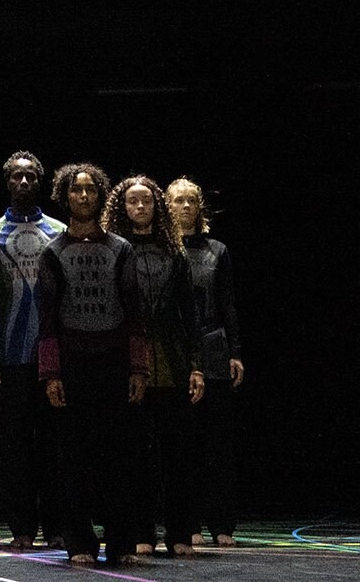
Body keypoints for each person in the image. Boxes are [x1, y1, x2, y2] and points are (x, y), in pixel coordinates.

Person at [38, 161, 149, 567]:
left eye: (90, 190)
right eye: (75, 190)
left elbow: (135, 313)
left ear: (101, 196)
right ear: (64, 197)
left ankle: (121, 542)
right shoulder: (53, 253)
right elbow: (46, 318)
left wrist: (139, 368)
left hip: (115, 363)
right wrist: (50, 373)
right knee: (73, 460)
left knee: (119, 457)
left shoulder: (121, 248)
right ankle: (79, 542)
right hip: (72, 365)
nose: (83, 196)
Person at [109, 175, 204, 556]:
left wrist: (196, 366)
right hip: (129, 362)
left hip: (171, 358)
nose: (140, 208)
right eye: (133, 201)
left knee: (176, 453)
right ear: (122, 206)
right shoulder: (113, 250)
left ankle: (179, 531)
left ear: (156, 206)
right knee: (136, 454)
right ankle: (141, 530)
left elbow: (190, 315)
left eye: (146, 201)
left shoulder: (174, 251)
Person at [0, 151, 65, 549]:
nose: (24, 183)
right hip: (9, 358)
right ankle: (23, 528)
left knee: (56, 443)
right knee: (14, 448)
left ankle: (58, 524)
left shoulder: (59, 232)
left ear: (40, 183)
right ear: (7, 182)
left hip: (53, 359)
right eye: (17, 177)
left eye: (31, 177)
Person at [166, 178, 244, 551]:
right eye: (177, 201)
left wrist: (235, 351)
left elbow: (228, 303)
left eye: (190, 201)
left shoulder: (217, 250)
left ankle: (221, 522)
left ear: (199, 208)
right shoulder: (164, 249)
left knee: (217, 445)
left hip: (213, 348)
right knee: (184, 445)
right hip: (176, 353)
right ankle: (187, 522)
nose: (184, 207)